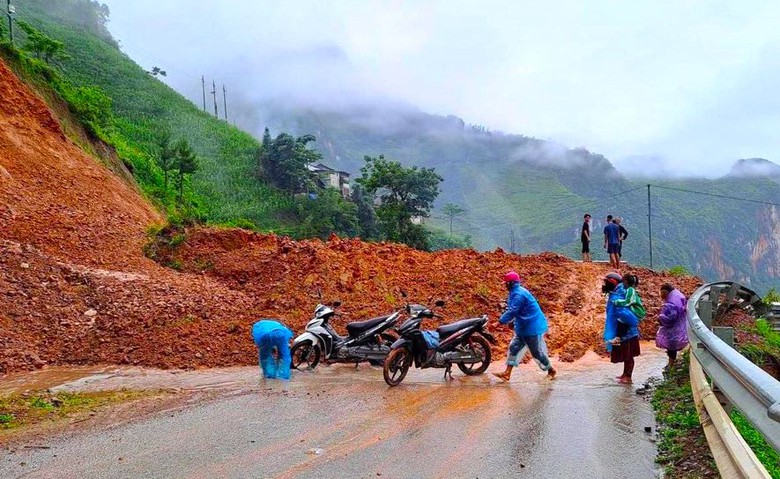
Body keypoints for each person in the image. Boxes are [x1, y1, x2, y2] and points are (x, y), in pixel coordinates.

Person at [493, 271, 557, 381]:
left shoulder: (519, 294)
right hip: (523, 326)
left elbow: (513, 310)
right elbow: (520, 310)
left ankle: (551, 370)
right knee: (514, 347)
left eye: (506, 283)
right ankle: (507, 373)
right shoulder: (514, 292)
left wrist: (499, 322)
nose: (505, 286)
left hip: (532, 326)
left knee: (536, 353)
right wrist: (513, 322)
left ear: (511, 283)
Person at [602, 273, 641, 384]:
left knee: (629, 354)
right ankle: (625, 373)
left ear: (613, 282)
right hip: (622, 328)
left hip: (626, 329)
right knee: (625, 354)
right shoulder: (617, 292)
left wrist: (624, 324)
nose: (605, 285)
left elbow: (623, 312)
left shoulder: (619, 293)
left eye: (606, 282)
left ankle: (628, 377)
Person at [656, 283, 689, 370]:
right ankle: (671, 363)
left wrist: (661, 318)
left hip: (673, 328)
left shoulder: (671, 302)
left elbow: (671, 318)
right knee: (672, 346)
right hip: (680, 325)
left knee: (671, 346)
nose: (661, 295)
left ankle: (671, 365)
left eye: (662, 293)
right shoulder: (677, 296)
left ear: (666, 292)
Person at [608, 274, 646, 345]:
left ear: (626, 282)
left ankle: (618, 338)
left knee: (621, 318)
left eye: (623, 282)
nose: (622, 284)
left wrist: (617, 302)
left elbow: (628, 302)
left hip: (636, 312)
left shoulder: (630, 290)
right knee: (622, 320)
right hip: (635, 311)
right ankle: (619, 337)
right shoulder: (630, 290)